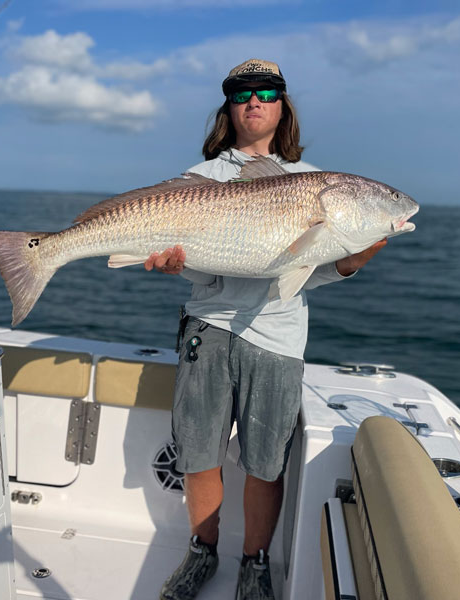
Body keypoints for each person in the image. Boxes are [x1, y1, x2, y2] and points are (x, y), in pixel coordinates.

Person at [148, 59, 386, 600]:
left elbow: (309, 271)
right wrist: (173, 263)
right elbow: (203, 264)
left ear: (283, 105)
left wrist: (351, 262)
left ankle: (254, 563)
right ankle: (201, 553)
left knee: (265, 462)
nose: (254, 101)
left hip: (278, 337)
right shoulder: (200, 180)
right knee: (199, 452)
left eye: (267, 91)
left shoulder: (317, 184)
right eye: (242, 93)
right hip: (207, 326)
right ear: (229, 108)